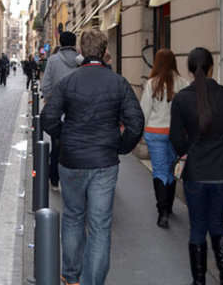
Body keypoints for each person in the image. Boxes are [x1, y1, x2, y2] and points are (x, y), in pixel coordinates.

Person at [41, 29, 144, 285]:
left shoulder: (68, 83)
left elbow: (48, 119)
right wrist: (120, 146)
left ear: (82, 52)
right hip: (104, 162)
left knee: (73, 217)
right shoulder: (118, 82)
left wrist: (65, 137)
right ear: (104, 50)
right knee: (99, 226)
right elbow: (136, 121)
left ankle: (71, 277)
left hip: (72, 160)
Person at [170, 47, 223, 285]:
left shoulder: (181, 99)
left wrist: (189, 151)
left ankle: (199, 280)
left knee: (198, 227)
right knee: (217, 224)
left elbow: (176, 139)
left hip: (197, 172)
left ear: (190, 70)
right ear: (212, 67)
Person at [140, 49, 190, 229]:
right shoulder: (183, 83)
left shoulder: (152, 84)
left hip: (155, 133)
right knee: (170, 169)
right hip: (175, 134)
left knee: (159, 170)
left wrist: (139, 133)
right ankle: (168, 206)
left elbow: (144, 111)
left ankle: (162, 212)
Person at [41, 31, 82, 190]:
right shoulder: (81, 61)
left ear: (60, 41)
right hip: (78, 111)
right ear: (74, 43)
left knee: (56, 145)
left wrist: (51, 101)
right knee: (76, 146)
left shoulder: (53, 60)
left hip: (58, 111)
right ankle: (73, 181)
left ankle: (54, 180)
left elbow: (45, 85)